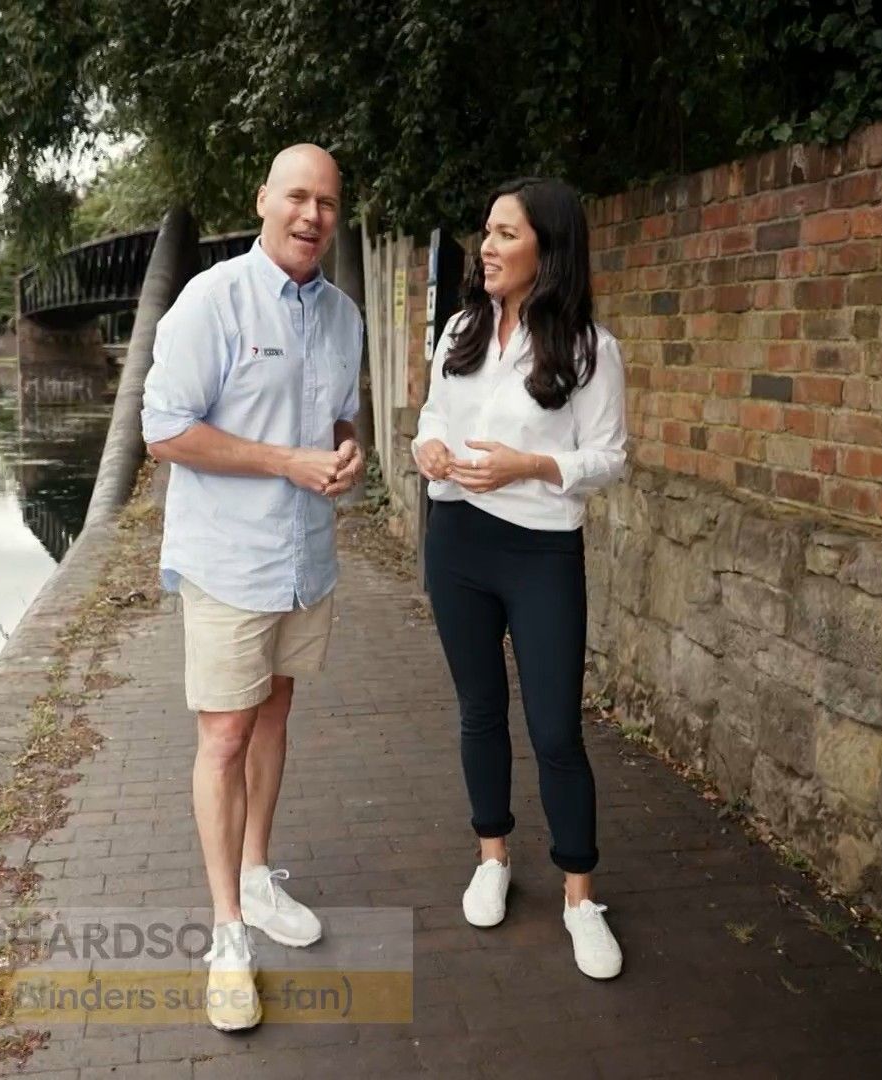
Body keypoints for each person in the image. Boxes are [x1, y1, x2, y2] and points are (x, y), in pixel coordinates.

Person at [140, 144, 366, 1031]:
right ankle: (228, 934)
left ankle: (259, 876)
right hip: (230, 561)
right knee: (226, 735)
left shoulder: (344, 315)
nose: (312, 215)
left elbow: (338, 417)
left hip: (305, 559)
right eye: (297, 197)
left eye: (328, 203)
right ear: (263, 198)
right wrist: (284, 461)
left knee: (275, 716)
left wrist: (346, 454)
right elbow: (163, 430)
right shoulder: (212, 300)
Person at [412, 177, 628, 979]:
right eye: (488, 231)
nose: (488, 246)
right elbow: (433, 417)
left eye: (507, 233)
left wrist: (530, 466)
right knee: (479, 710)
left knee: (555, 729)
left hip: (540, 553)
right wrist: (428, 450)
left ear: (550, 248)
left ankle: (580, 897)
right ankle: (493, 856)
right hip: (457, 542)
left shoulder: (591, 349)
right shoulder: (461, 328)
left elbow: (609, 458)